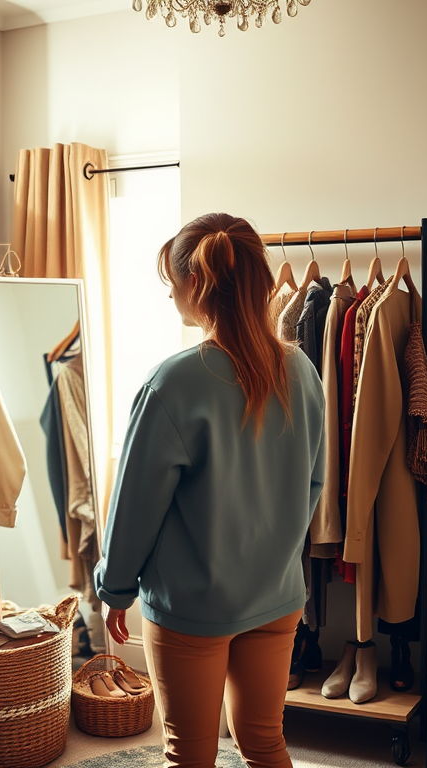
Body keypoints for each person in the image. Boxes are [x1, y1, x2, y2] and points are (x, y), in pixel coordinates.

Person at [93, 213, 326, 768]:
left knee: (189, 753)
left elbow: (135, 508)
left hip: (191, 605)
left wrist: (116, 587)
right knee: (265, 742)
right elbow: (313, 482)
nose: (171, 294)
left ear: (194, 286)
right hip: (277, 596)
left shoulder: (172, 383)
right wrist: (280, 555)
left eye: (171, 283)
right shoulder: (301, 370)